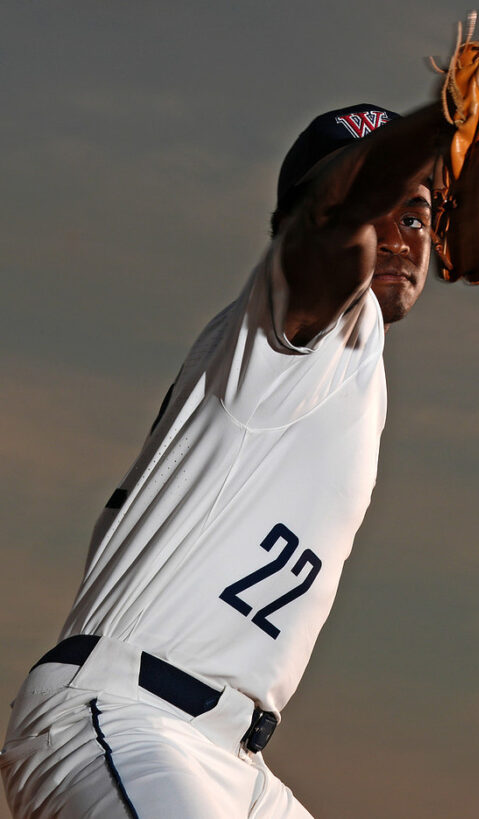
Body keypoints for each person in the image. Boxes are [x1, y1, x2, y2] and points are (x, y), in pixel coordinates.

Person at [1, 100, 452, 818]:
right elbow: (336, 236)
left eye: (418, 216)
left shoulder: (357, 359)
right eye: (381, 207)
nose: (400, 236)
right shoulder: (290, 325)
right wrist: (441, 126)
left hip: (233, 759)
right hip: (129, 718)